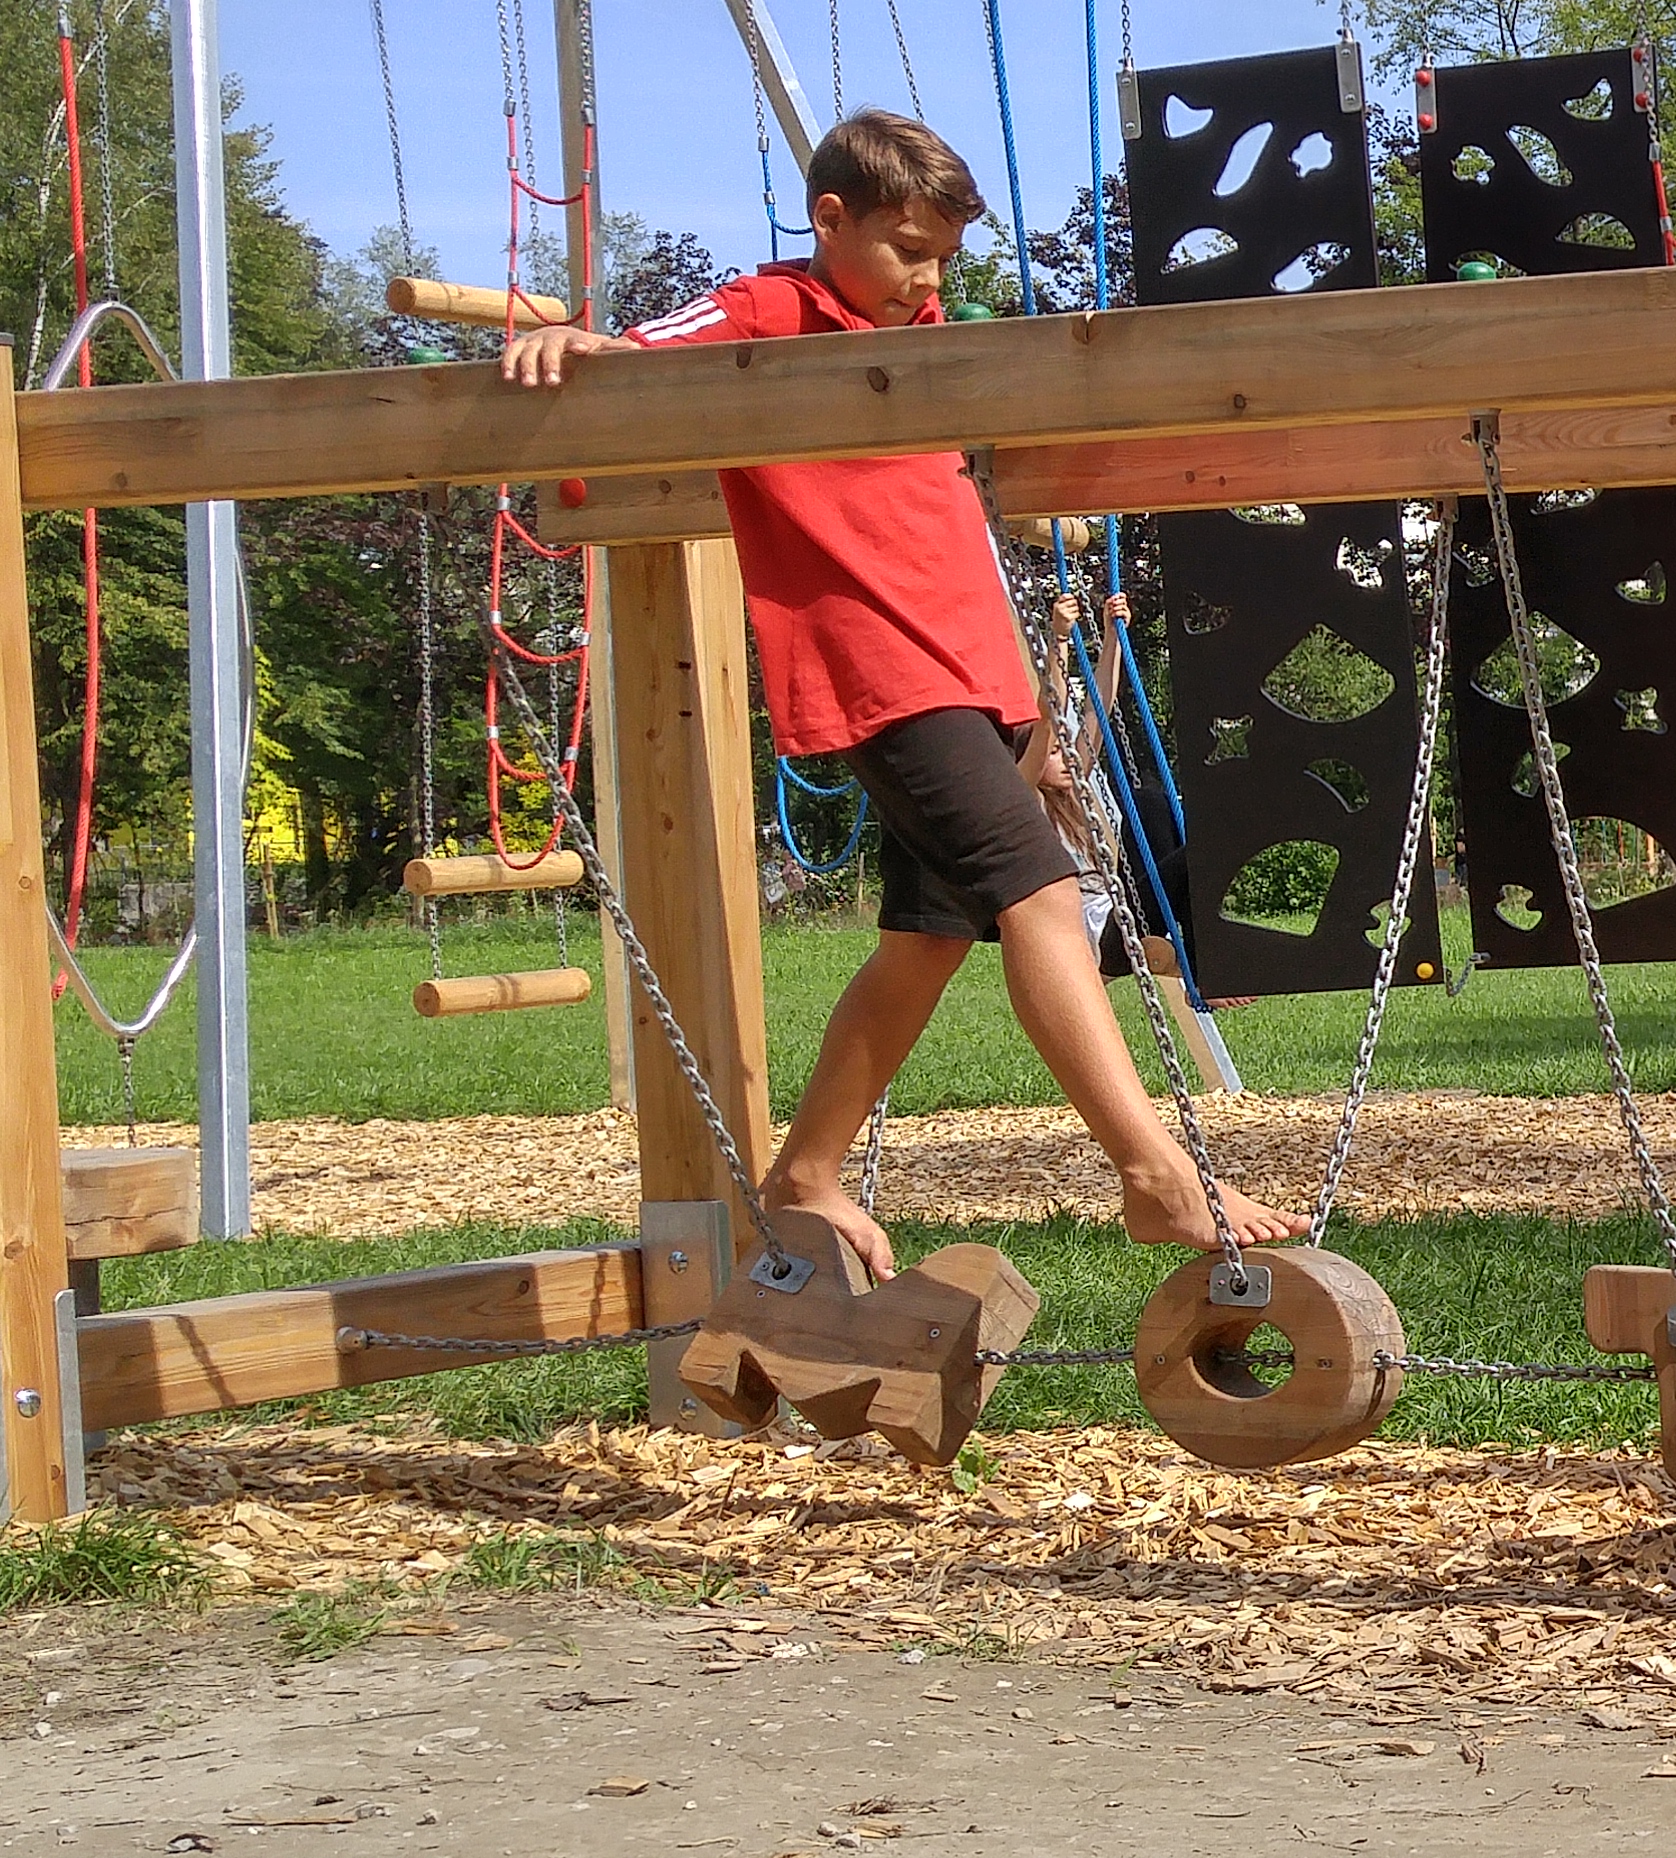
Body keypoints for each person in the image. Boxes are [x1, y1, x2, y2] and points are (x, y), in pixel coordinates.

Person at [501, 110, 1303, 1283]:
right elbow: (642, 348)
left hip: (976, 667)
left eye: (943, 259)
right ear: (829, 222)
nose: (925, 279)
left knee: (926, 940)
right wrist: (568, 341)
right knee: (1040, 895)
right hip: (882, 673)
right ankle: (1152, 1173)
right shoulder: (772, 311)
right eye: (906, 249)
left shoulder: (930, 339)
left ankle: (808, 1172)